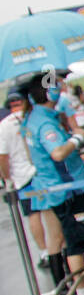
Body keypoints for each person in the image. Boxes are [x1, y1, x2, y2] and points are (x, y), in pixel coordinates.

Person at [16, 74, 84, 295]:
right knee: (75, 240)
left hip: (48, 186)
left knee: (57, 238)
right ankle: (82, 293)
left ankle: (63, 289)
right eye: (57, 87)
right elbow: (57, 153)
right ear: (50, 93)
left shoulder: (33, 118)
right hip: (64, 189)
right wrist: (76, 139)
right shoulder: (44, 122)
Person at [0, 90, 50, 270]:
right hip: (42, 171)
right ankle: (56, 249)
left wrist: (7, 179)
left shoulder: (4, 125)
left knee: (33, 215)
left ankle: (44, 252)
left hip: (22, 177)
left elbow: (2, 157)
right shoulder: (34, 116)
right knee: (51, 212)